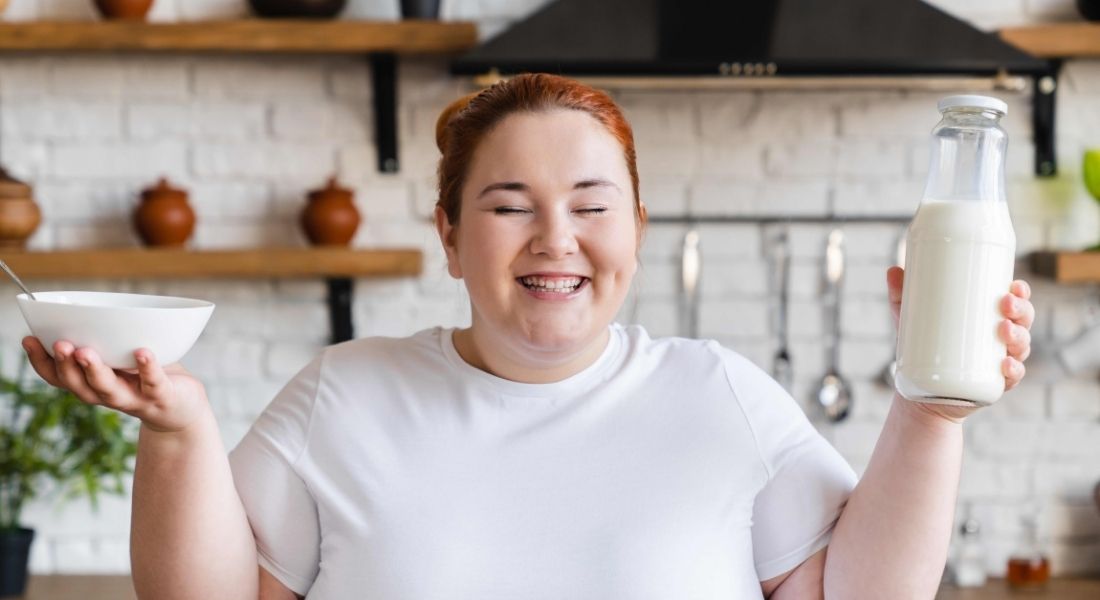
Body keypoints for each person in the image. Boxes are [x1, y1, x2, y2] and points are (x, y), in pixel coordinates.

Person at [21, 73, 1035, 600]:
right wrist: (177, 427)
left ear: (634, 233)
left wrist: (930, 404)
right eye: (509, 204)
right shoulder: (346, 395)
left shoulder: (717, 397)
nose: (557, 238)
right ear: (449, 239)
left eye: (592, 205)